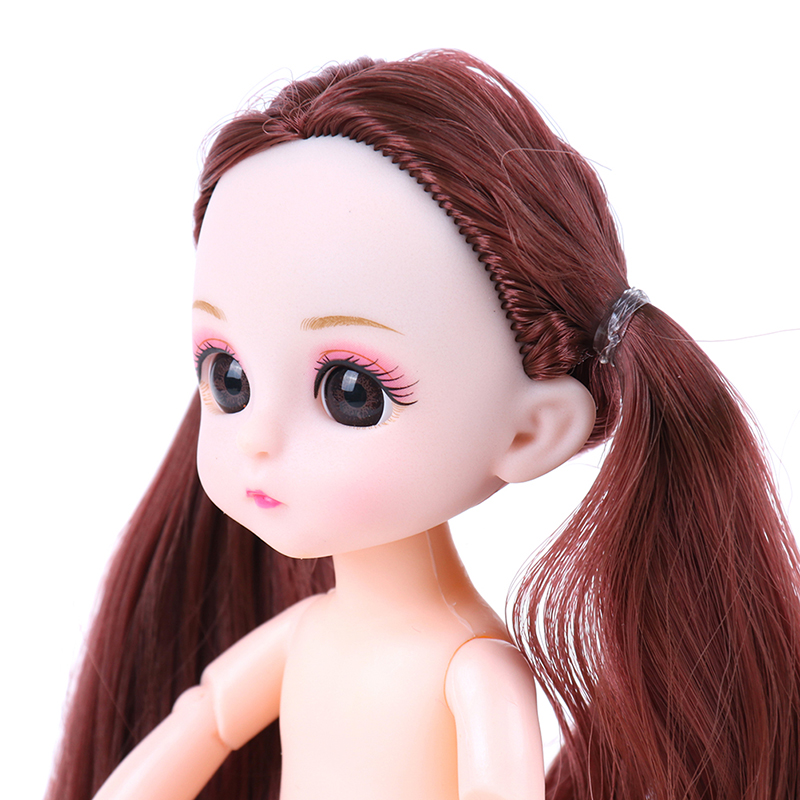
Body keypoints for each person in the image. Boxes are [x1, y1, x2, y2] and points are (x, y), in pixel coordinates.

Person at [46, 50, 800, 800]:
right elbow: (203, 720)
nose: (258, 438)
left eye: (351, 393)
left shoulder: (471, 667)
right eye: (228, 376)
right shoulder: (308, 633)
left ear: (531, 434)